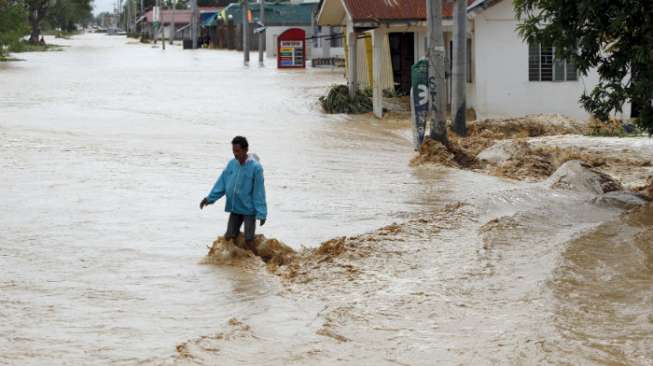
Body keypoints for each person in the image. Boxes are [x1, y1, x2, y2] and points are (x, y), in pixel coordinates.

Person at [200, 136, 267, 254]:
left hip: (249, 210)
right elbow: (222, 183)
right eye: (233, 151)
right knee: (228, 238)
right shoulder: (232, 164)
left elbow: (259, 192)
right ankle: (236, 263)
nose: (235, 154)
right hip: (235, 208)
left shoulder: (256, 168)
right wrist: (209, 198)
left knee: (249, 240)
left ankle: (260, 265)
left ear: (246, 150)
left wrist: (261, 213)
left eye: (238, 151)